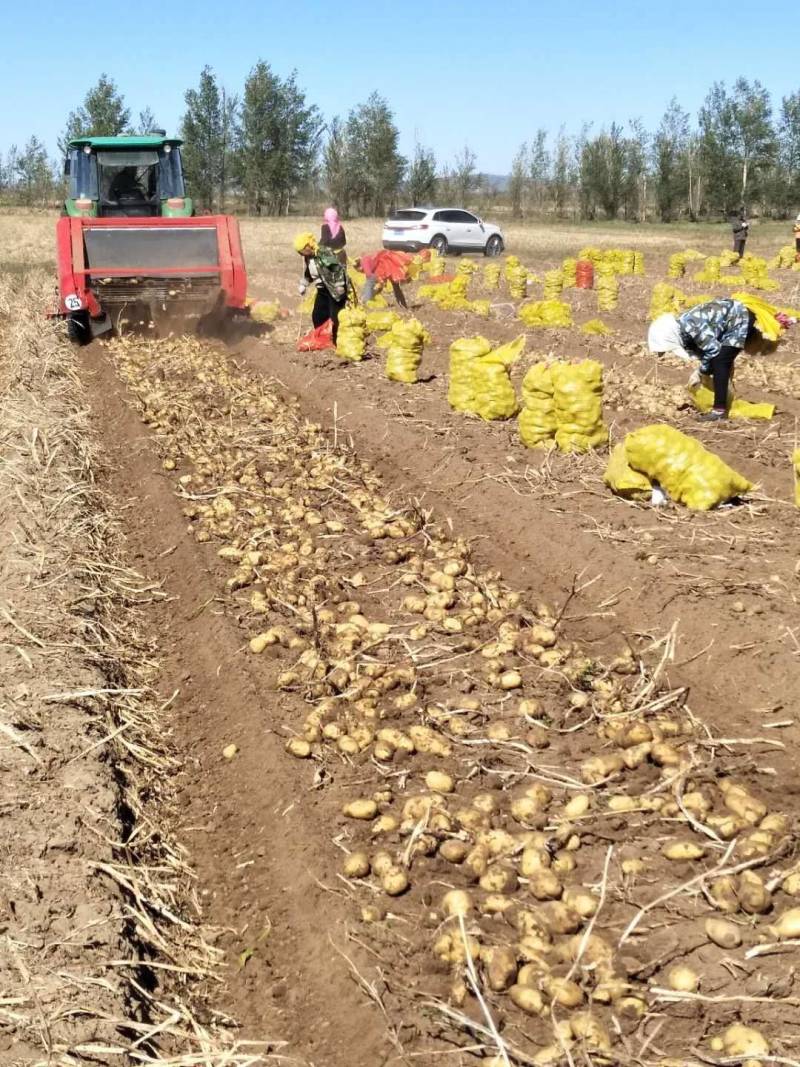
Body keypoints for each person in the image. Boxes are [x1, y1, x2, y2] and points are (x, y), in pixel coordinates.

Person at [647, 298, 758, 422]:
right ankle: (724, 400)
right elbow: (704, 350)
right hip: (733, 319)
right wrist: (705, 369)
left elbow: (713, 350)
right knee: (720, 361)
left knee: (720, 361)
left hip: (739, 318)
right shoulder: (684, 331)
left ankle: (719, 412)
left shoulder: (691, 326)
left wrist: (702, 372)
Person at [294, 232, 348, 345]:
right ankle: (322, 338)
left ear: (308, 246)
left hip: (334, 290)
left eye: (301, 250)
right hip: (322, 290)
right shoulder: (308, 257)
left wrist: (340, 285)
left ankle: (337, 341)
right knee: (318, 315)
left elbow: (336, 268)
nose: (300, 254)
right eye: (299, 252)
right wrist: (304, 283)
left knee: (335, 316)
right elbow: (310, 271)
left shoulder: (323, 253)